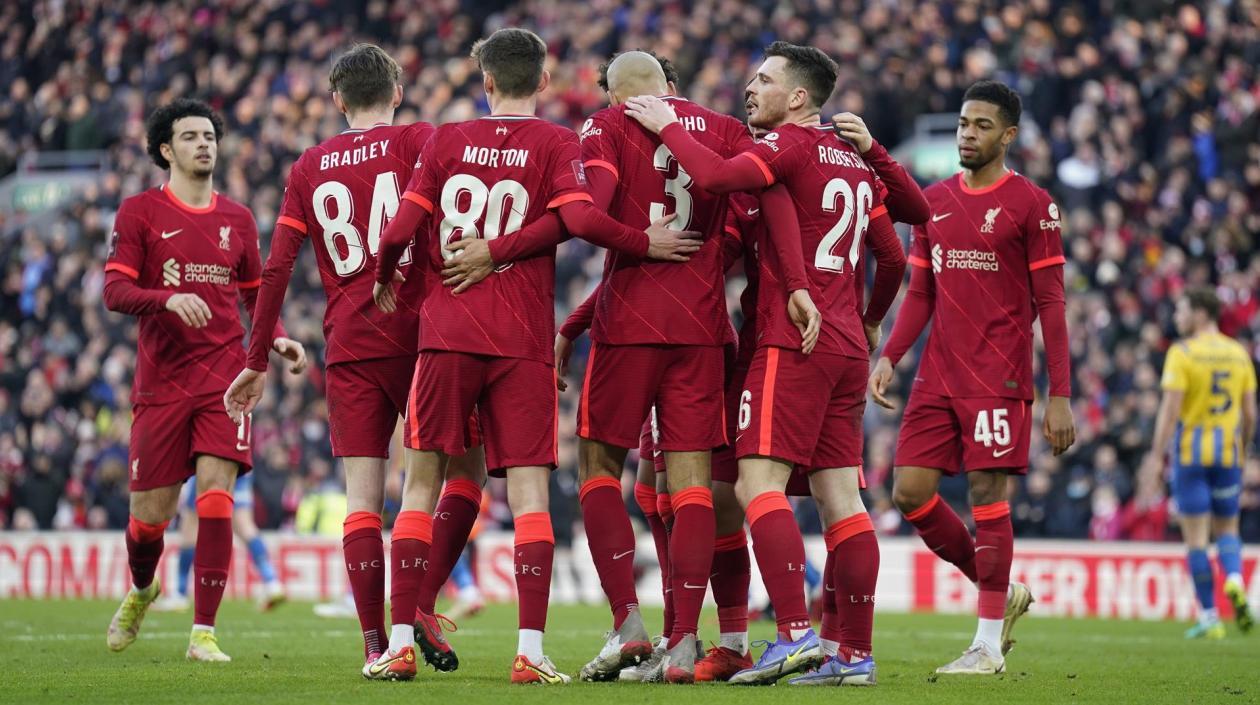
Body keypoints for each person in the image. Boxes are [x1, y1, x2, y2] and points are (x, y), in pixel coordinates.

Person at [371, 27, 700, 685]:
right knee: (529, 496)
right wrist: (636, 239)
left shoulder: (445, 139)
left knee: (418, 484)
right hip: (520, 340)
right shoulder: (558, 142)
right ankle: (529, 650)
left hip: (445, 333)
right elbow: (576, 220)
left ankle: (399, 639)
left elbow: (402, 228)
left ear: (485, 81)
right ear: (544, 82)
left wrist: (386, 274)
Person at [625, 41, 907, 686]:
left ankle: (795, 635)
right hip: (843, 346)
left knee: (757, 486)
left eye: (765, 79)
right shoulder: (857, 167)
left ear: (799, 98)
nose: (751, 88)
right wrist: (869, 319)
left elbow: (719, 179)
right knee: (842, 499)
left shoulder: (792, 146)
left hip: (791, 339)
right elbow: (891, 258)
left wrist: (667, 125)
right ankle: (854, 656)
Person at [222, 43, 491, 679]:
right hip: (426, 332)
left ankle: (378, 647)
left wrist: (255, 357)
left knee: (362, 500)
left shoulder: (309, 165)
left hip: (350, 343)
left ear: (337, 99)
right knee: (466, 475)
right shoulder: (421, 140)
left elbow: (277, 268)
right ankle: (418, 605)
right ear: (396, 93)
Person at [869, 79, 1076, 675]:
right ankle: (1000, 587)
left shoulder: (1032, 204)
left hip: (998, 376)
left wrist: (1059, 395)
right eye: (963, 123)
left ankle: (986, 644)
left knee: (988, 497)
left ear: (1008, 136)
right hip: (937, 376)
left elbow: (1053, 306)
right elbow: (920, 292)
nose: (968, 133)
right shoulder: (932, 201)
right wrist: (891, 356)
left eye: (982, 125)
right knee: (909, 493)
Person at [102, 98, 306, 662]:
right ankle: (144, 588)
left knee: (218, 498)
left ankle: (204, 633)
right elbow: (115, 291)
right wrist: (168, 299)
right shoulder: (139, 212)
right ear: (166, 150)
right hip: (160, 383)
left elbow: (252, 294)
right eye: (191, 136)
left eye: (210, 135)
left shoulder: (238, 219)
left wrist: (276, 334)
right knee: (149, 522)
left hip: (225, 377)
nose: (204, 144)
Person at [1146, 287, 1255, 638]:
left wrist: (1155, 455)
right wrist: (1243, 448)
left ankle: (1209, 616)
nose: (1176, 317)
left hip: (1191, 456)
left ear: (1200, 313)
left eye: (1181, 310)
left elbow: (1170, 410)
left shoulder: (1183, 353)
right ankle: (1236, 580)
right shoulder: (1238, 353)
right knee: (1227, 529)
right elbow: (1250, 412)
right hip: (1228, 455)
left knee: (1196, 539)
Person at [152, 473, 285, 613]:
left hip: (210, 464)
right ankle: (272, 582)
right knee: (245, 526)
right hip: (240, 462)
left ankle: (180, 594)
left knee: (190, 528)